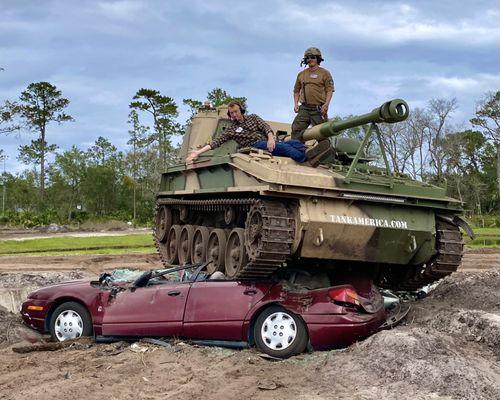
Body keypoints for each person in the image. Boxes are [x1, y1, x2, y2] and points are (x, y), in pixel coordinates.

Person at [186, 100, 307, 163]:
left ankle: (309, 151)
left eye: (236, 111)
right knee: (285, 148)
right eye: (231, 113)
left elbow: (266, 127)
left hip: (266, 141)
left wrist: (270, 138)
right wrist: (197, 152)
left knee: (293, 143)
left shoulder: (253, 117)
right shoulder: (231, 130)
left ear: (241, 110)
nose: (234, 115)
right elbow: (216, 142)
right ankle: (304, 158)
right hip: (254, 145)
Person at [292, 47, 335, 141]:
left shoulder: (325, 73)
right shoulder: (301, 74)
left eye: (312, 57)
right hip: (304, 108)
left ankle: (325, 154)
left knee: (322, 134)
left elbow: (329, 90)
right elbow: (296, 91)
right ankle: (297, 151)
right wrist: (296, 104)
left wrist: (326, 105)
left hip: (318, 109)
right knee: (296, 129)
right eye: (307, 58)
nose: (310, 59)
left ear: (318, 59)